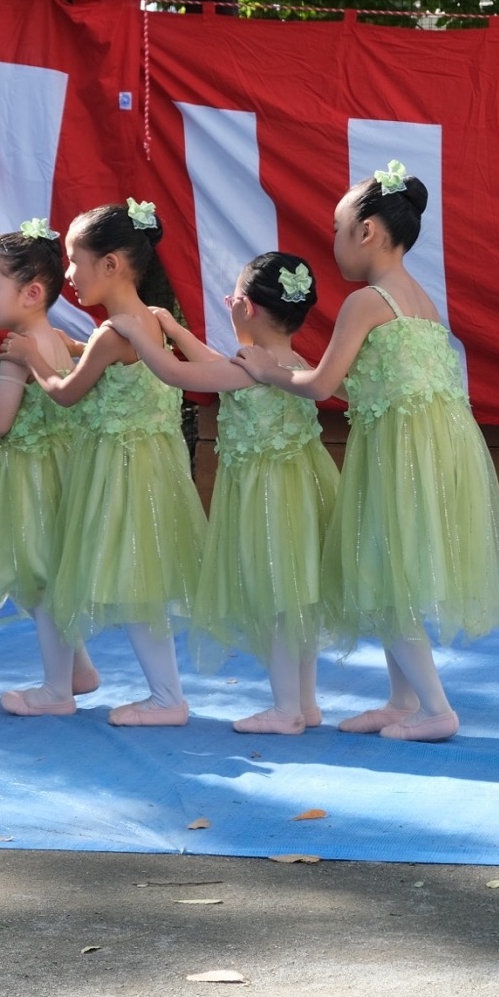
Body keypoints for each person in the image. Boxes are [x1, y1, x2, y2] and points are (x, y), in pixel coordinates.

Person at [235, 163, 499, 743]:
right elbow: (361, 381)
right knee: (397, 571)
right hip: (436, 445)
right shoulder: (421, 300)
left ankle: (436, 708)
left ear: (366, 232)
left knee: (386, 574)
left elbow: (318, 384)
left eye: (338, 227)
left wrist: (269, 369)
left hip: (399, 451)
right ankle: (402, 699)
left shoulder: (367, 301)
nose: (332, 239)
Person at [111, 252, 338, 735]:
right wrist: (175, 330)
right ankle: (304, 703)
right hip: (299, 490)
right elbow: (218, 367)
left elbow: (179, 376)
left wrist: (137, 336)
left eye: (233, 296)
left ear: (246, 309)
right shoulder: (286, 361)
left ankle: (284, 710)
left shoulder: (251, 367)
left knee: (276, 598)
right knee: (297, 599)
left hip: (268, 498)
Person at [5, 200, 209, 727]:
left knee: (136, 582)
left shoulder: (113, 332)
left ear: (112, 264)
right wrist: (75, 344)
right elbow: (108, 368)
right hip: (153, 465)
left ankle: (166, 698)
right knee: (144, 581)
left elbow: (66, 393)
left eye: (75, 260)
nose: (67, 273)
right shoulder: (150, 322)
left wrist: (32, 358)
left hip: (118, 471)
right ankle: (165, 694)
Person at [0, 221, 100, 716]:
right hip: (56, 469)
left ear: (31, 293)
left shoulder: (16, 351)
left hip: (26, 477)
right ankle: (78, 669)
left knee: (38, 581)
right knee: (46, 575)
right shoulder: (52, 338)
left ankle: (56, 691)